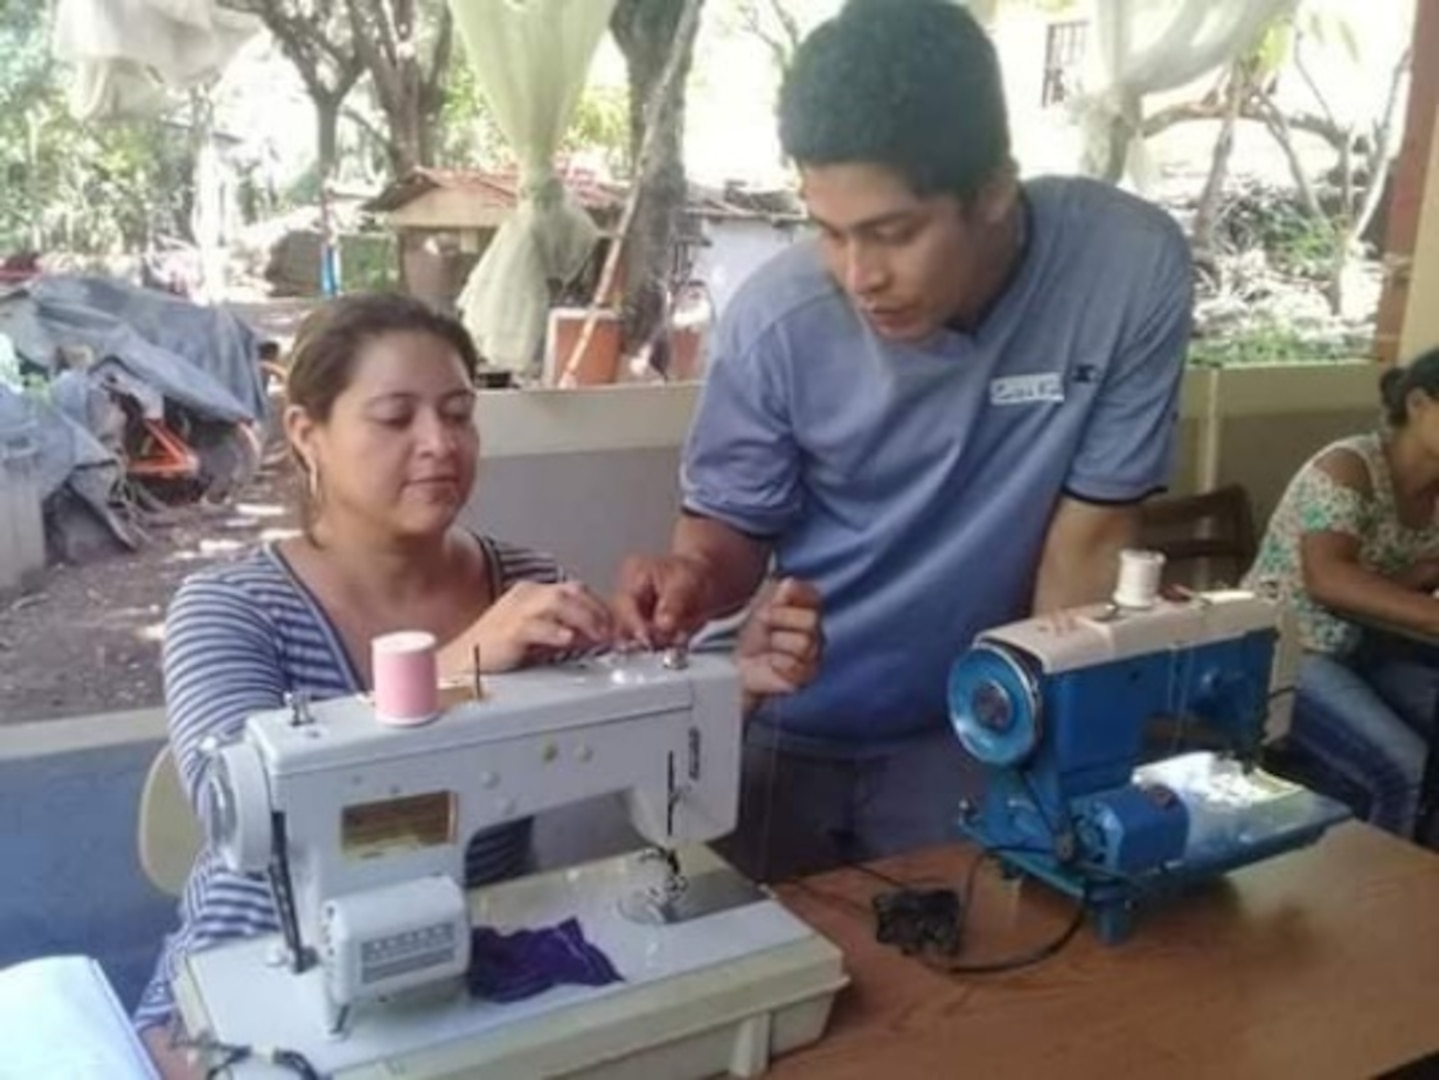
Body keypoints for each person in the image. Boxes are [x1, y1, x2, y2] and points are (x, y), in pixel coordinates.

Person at [135, 293, 822, 1077]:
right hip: (248, 988)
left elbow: (613, 736)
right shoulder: (226, 611)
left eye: (459, 414)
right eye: (396, 418)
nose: (439, 444)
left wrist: (732, 680)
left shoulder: (525, 585)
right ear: (306, 433)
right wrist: (462, 664)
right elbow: (241, 805)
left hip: (461, 984)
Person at [612, 0, 1193, 881]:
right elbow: (727, 540)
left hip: (968, 724)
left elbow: (1087, 552)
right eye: (829, 231)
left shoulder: (1127, 270)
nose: (859, 276)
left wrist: (1032, 755)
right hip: (782, 717)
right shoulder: (776, 322)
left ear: (993, 189)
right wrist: (692, 577)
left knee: (978, 978)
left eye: (892, 233)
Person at [1244, 349, 1439, 836]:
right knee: (1406, 772)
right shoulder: (1348, 468)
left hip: (1368, 647)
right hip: (1287, 649)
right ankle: (1378, 901)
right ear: (1418, 404)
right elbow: (1328, 578)